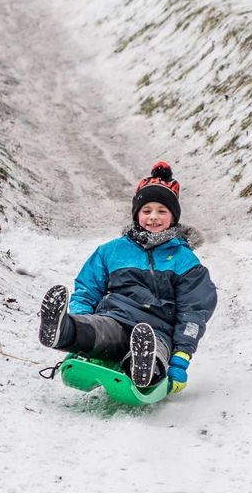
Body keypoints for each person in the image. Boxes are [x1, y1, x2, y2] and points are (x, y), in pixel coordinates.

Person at [38, 162, 217, 393]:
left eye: (162, 211)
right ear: (136, 214)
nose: (153, 217)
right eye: (147, 211)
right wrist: (82, 317)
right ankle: (62, 329)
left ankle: (142, 367)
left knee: (154, 353)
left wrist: (181, 357)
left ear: (173, 217)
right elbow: (87, 288)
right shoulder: (111, 251)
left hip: (157, 332)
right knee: (95, 329)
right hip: (115, 320)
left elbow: (194, 312)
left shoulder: (185, 261)